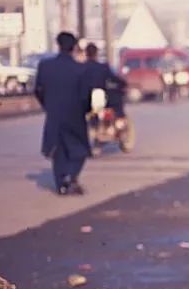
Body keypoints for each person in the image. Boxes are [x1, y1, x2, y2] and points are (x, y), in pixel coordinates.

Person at [34, 32, 92, 196]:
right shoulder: (80, 69)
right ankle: (71, 176)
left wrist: (48, 106)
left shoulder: (45, 66)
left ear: (58, 45)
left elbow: (38, 90)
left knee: (58, 150)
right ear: (74, 47)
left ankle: (61, 184)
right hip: (75, 115)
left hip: (54, 114)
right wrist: (85, 110)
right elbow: (85, 96)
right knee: (79, 149)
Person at [83, 42, 126, 120]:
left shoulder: (80, 68)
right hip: (101, 98)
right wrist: (123, 84)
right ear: (96, 53)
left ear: (86, 53)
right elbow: (116, 79)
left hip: (85, 100)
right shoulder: (103, 68)